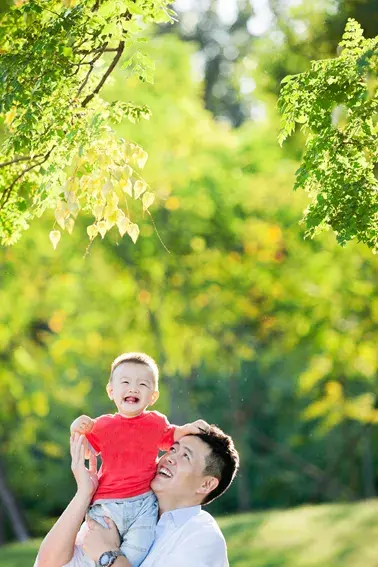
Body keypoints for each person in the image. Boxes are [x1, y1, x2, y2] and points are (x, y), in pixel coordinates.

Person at [67, 352, 210, 567]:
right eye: (125, 382)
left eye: (142, 384)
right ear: (111, 391)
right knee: (90, 552)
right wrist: (76, 428)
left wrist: (190, 428)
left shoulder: (156, 422)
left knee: (137, 551)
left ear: (153, 396)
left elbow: (173, 435)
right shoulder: (102, 425)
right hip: (106, 503)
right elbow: (86, 451)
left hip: (144, 503)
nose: (133, 388)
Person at [36, 423, 239, 567]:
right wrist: (84, 494)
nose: (169, 458)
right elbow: (48, 563)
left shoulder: (202, 536)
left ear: (206, 484)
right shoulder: (124, 507)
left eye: (185, 456)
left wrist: (107, 554)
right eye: (172, 449)